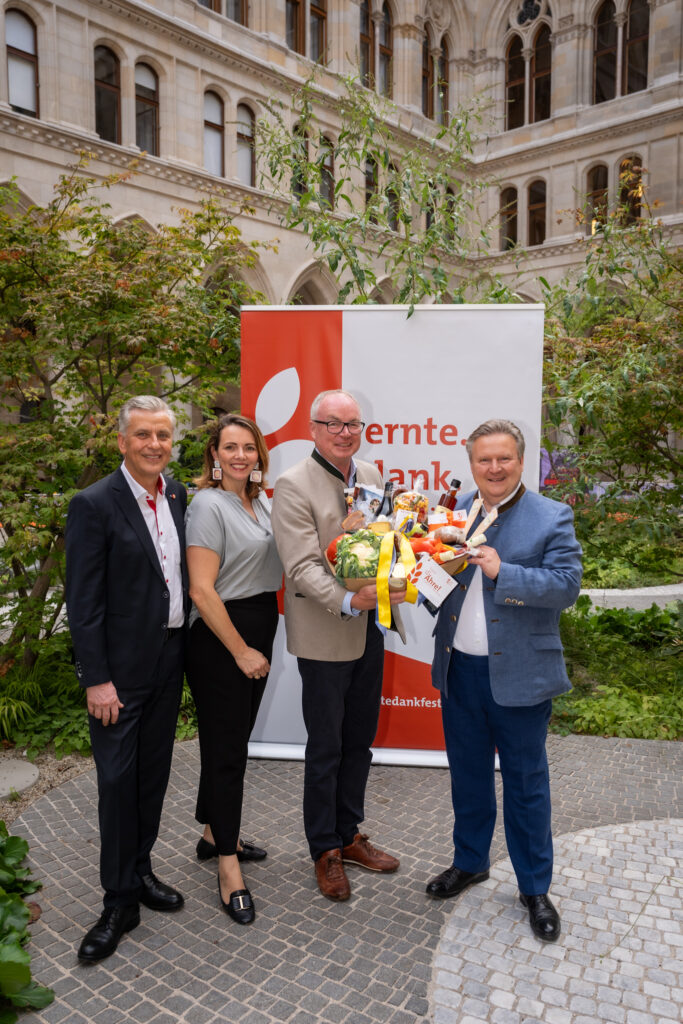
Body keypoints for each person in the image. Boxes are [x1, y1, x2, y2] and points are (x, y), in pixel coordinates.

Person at [426, 419, 582, 942]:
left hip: (520, 676)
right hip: (459, 671)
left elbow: (565, 587)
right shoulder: (454, 510)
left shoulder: (551, 516)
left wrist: (502, 572)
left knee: (525, 786)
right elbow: (437, 582)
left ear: (520, 460)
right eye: (483, 460)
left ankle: (535, 887)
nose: (494, 469)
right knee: (467, 778)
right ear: (470, 463)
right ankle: (470, 861)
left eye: (504, 459)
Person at [65, 396, 187, 964]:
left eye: (163, 435)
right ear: (122, 442)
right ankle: (117, 902)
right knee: (116, 785)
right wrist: (96, 680)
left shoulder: (177, 494)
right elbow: (83, 601)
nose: (155, 445)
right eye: (143, 435)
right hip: (117, 677)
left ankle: (140, 873)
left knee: (151, 778)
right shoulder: (94, 504)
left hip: (168, 662)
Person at [271, 389, 404, 902]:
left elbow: (385, 540)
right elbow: (301, 568)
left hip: (370, 628)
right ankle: (323, 848)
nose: (345, 432)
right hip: (328, 630)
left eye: (352, 424)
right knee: (326, 747)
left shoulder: (370, 476)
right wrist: (350, 602)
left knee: (359, 740)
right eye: (334, 424)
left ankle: (349, 835)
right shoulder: (292, 484)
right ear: (313, 427)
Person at [185, 414, 282, 925]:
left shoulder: (261, 502)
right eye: (231, 448)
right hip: (223, 635)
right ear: (215, 456)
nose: (241, 455)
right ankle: (227, 865)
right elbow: (202, 590)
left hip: (260, 622)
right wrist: (242, 649)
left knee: (232, 742)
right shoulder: (207, 504)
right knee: (226, 753)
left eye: (249, 447)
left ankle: (210, 834)